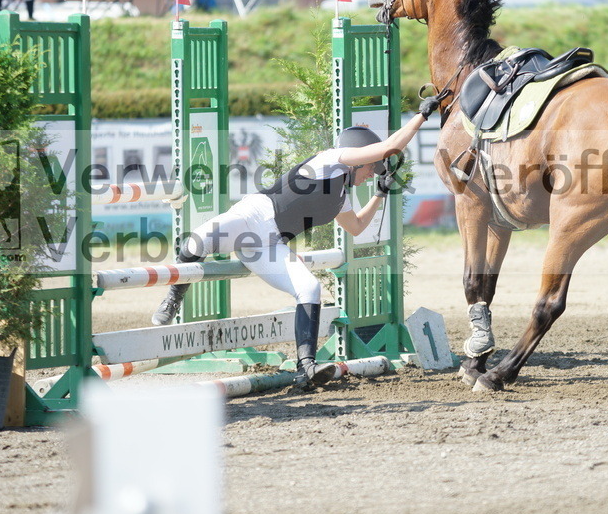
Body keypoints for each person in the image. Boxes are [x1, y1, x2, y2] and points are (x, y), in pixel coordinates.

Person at [152, 94, 442, 390]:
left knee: (309, 287)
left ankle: (306, 368)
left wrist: (380, 195)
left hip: (271, 245)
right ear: (359, 157)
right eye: (371, 168)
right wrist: (421, 116)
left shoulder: (341, 194)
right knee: (197, 242)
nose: (371, 174)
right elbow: (388, 148)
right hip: (251, 219)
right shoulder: (329, 161)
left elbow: (356, 227)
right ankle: (174, 296)